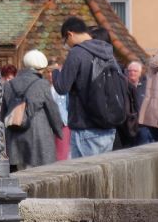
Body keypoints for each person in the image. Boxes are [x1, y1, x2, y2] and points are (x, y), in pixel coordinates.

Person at [53, 17, 129, 157]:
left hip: (86, 128)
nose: (67, 45)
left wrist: (56, 73)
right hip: (109, 126)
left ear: (70, 34)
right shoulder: (107, 51)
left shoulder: (77, 53)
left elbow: (61, 87)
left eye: (65, 40)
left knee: (84, 177)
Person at [0, 49, 63, 172]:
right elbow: (52, 110)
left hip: (14, 137)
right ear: (42, 67)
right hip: (38, 137)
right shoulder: (42, 84)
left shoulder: (9, 85)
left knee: (18, 177)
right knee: (41, 176)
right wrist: (58, 130)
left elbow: (3, 114)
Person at [122, 60, 152, 147]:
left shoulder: (146, 86)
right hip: (126, 127)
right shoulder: (122, 85)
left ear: (140, 73)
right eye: (130, 71)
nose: (132, 73)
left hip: (143, 126)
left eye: (135, 71)